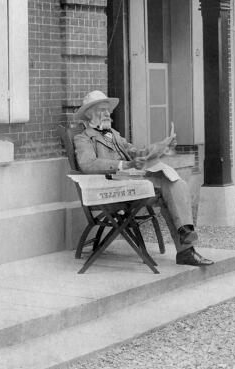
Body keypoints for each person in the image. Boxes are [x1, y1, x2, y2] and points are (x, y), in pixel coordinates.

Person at [73, 90, 214, 267]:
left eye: (108, 109)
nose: (108, 113)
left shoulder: (114, 135)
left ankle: (186, 238)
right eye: (102, 109)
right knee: (168, 189)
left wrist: (162, 147)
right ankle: (186, 246)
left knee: (174, 182)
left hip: (131, 184)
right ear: (89, 113)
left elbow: (137, 152)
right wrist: (124, 165)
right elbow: (87, 164)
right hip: (111, 189)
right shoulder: (83, 138)